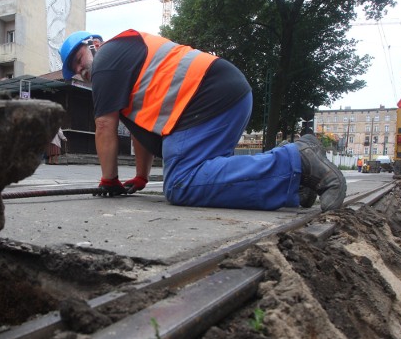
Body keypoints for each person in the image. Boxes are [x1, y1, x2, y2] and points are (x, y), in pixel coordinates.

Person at [59, 30, 346, 211]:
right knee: (212, 175)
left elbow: (104, 126)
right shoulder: (122, 65)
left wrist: (109, 180)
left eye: (79, 57)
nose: (80, 68)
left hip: (204, 98)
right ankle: (297, 185)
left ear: (94, 44)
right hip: (225, 94)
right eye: (73, 69)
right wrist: (142, 177)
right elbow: (140, 129)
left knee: (182, 184)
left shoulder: (106, 60)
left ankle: (298, 161)